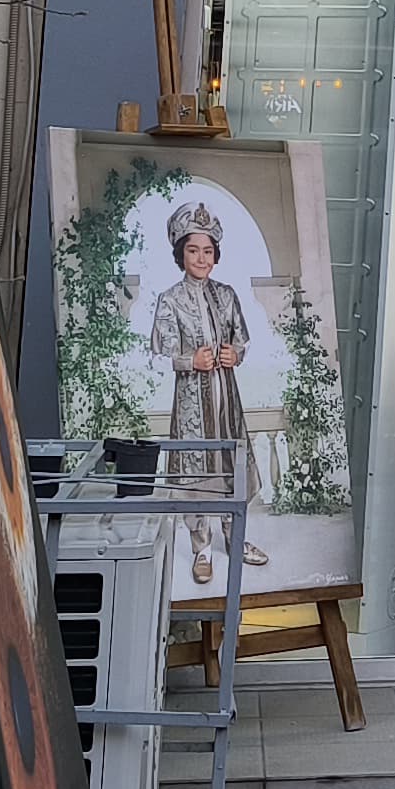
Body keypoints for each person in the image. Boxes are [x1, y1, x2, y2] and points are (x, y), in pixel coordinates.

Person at [146, 199, 264, 587]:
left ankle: (236, 537)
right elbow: (159, 351)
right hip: (192, 401)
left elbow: (240, 341)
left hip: (226, 399)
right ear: (181, 254)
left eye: (208, 251)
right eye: (193, 250)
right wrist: (188, 361)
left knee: (232, 467)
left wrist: (235, 354)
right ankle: (201, 546)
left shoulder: (227, 294)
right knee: (197, 470)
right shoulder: (170, 300)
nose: (201, 257)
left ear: (216, 255)